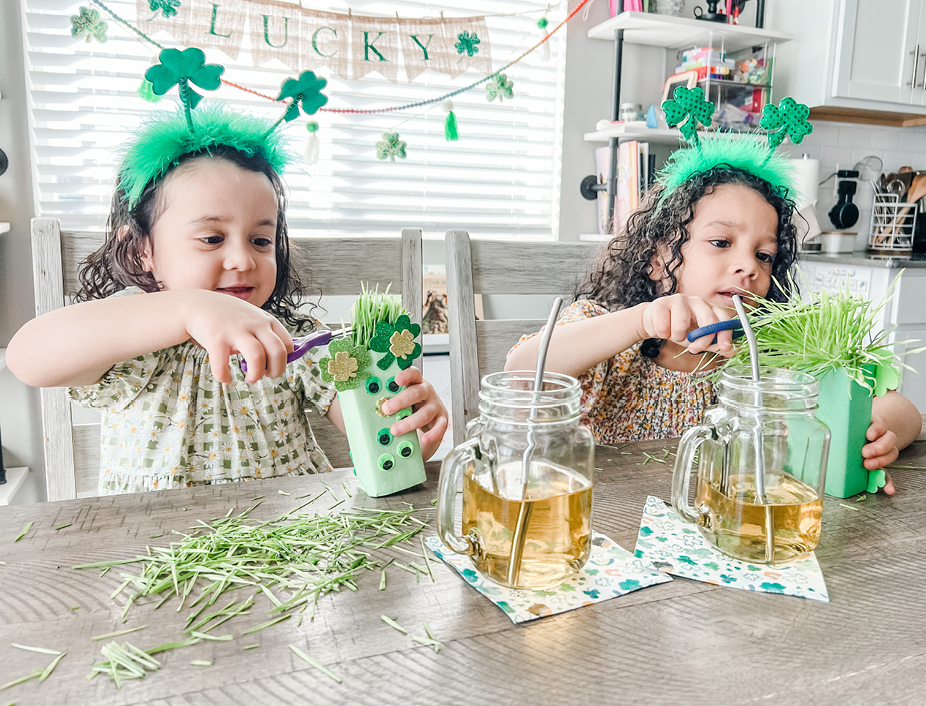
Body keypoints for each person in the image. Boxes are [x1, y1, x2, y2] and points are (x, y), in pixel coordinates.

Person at [7, 106, 447, 494]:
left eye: (260, 239)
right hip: (160, 552)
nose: (243, 259)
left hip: (292, 548)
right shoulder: (132, 339)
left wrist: (404, 427)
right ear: (143, 249)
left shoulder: (292, 344)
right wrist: (189, 308)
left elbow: (367, 431)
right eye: (212, 237)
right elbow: (28, 357)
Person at [507, 96, 920, 494]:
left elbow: (906, 411)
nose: (749, 266)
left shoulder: (774, 354)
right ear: (657, 258)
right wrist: (640, 321)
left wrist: (878, 430)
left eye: (764, 255)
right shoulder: (609, 334)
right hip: (604, 528)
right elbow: (521, 370)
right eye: (722, 242)